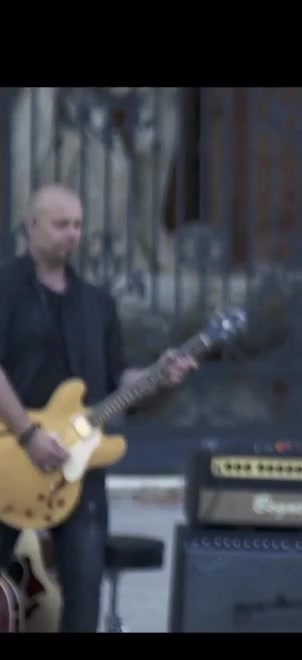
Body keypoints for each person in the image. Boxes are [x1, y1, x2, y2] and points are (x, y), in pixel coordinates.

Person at [0, 183, 197, 632]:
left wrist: (158, 375)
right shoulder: (5, 289)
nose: (72, 234)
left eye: (78, 225)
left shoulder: (97, 303)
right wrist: (29, 435)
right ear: (32, 226)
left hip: (78, 469)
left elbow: (117, 379)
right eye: (61, 225)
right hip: (10, 455)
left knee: (85, 593)